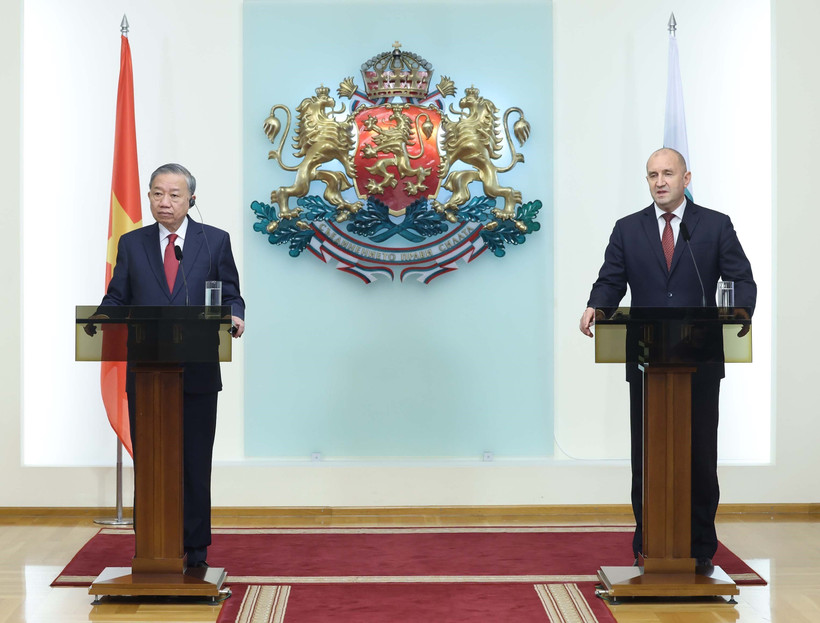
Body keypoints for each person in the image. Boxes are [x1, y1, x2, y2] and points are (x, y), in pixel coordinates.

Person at [579, 148, 756, 573]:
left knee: (699, 457)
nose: (660, 182)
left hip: (701, 360)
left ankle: (701, 548)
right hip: (648, 359)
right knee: (648, 457)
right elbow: (611, 280)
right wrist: (597, 306)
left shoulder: (714, 225)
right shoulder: (628, 228)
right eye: (652, 175)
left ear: (686, 178)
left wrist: (741, 310)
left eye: (668, 174)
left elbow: (740, 278)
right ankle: (649, 544)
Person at [100, 163, 245, 567]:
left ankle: (195, 551)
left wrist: (235, 315)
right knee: (150, 463)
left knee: (194, 463)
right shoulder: (132, 243)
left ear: (191, 200)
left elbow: (231, 294)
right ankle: (150, 547)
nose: (164, 202)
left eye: (174, 195)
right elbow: (117, 297)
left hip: (197, 371)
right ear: (148, 196)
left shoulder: (214, 241)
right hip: (148, 375)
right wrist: (102, 316)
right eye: (157, 193)